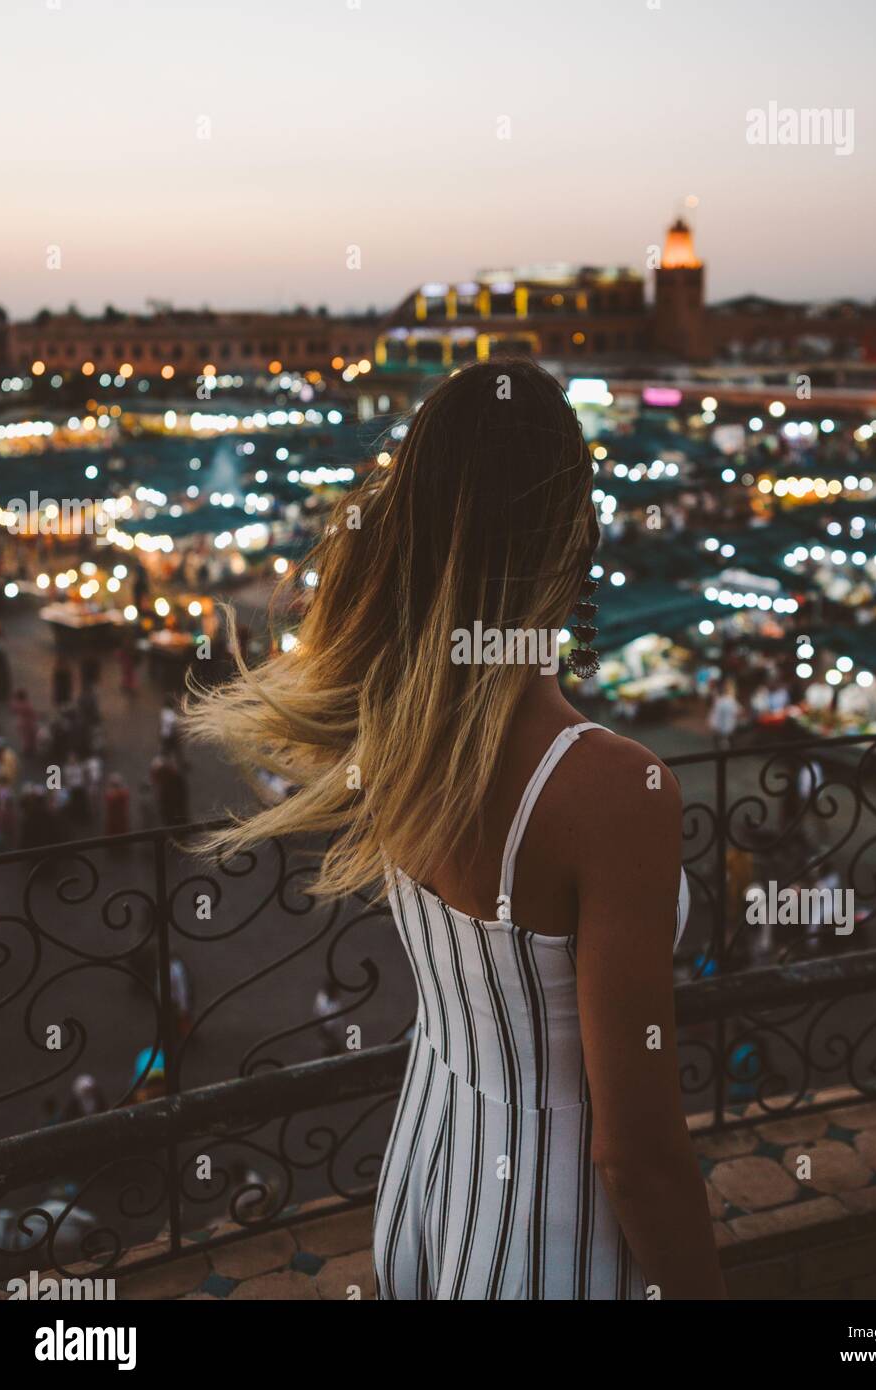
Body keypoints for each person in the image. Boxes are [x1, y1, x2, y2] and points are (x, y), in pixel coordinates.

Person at [185, 358, 723, 1301]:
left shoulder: (393, 732)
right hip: (558, 1243)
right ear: (573, 535)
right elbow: (635, 1151)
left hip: (426, 1188)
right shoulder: (613, 788)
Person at [708, 679, 741, 750]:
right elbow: (738, 712)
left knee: (719, 740)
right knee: (724, 741)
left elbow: (714, 713)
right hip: (726, 726)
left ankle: (719, 748)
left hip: (718, 726)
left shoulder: (720, 700)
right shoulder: (730, 701)